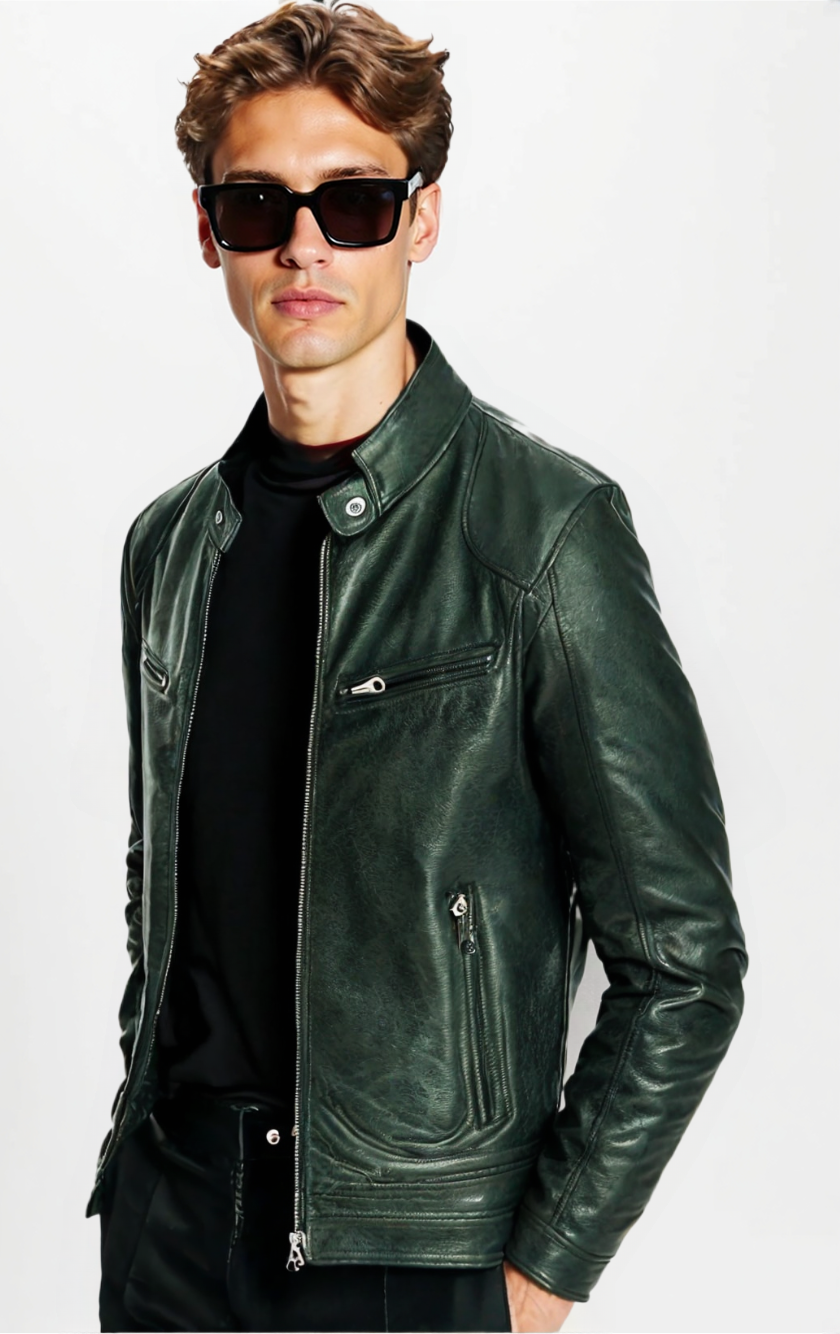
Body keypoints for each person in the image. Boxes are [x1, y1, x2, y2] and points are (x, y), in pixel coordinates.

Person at [87, 3, 748, 1330]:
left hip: (414, 1255)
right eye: (260, 206)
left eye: (354, 203)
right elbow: (170, 878)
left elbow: (683, 957)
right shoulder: (174, 544)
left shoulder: (540, 531)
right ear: (210, 232)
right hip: (173, 1227)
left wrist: (543, 1270)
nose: (306, 245)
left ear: (421, 220)